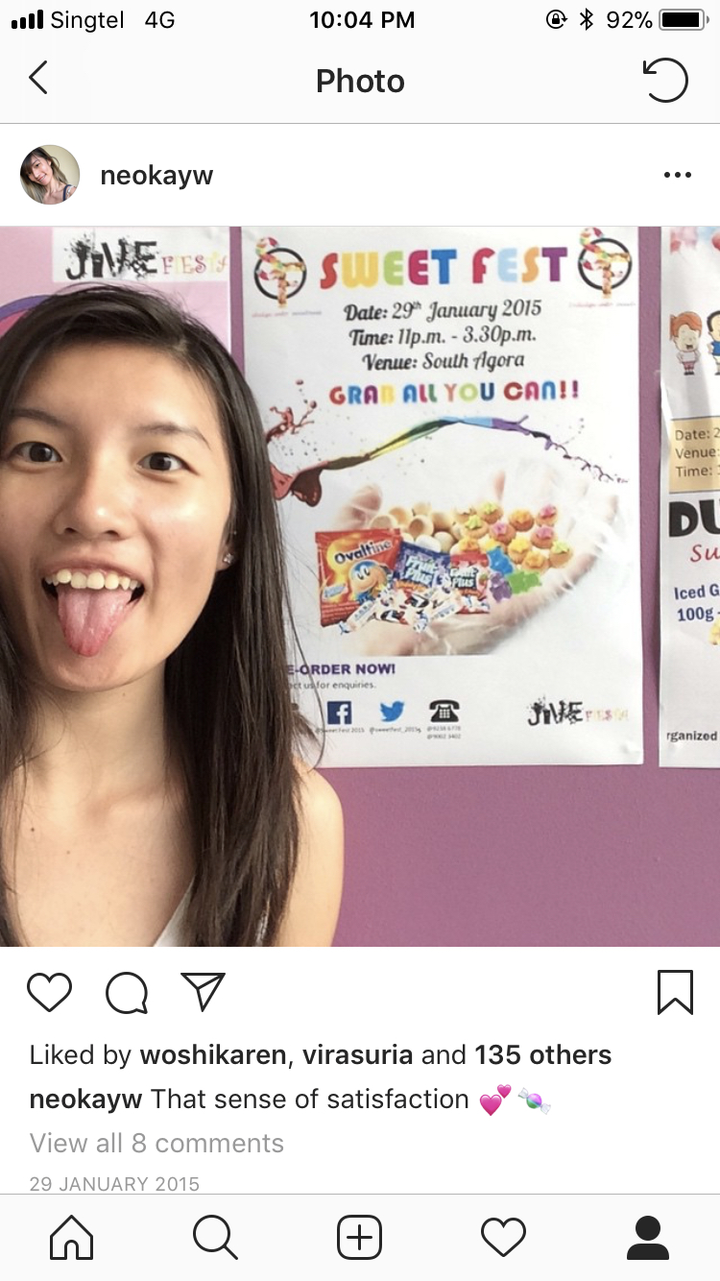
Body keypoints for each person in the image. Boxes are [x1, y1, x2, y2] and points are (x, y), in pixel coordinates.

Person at [0, 286, 343, 946]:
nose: (93, 509)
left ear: (232, 531)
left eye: (161, 461)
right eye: (38, 451)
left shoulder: (290, 825)